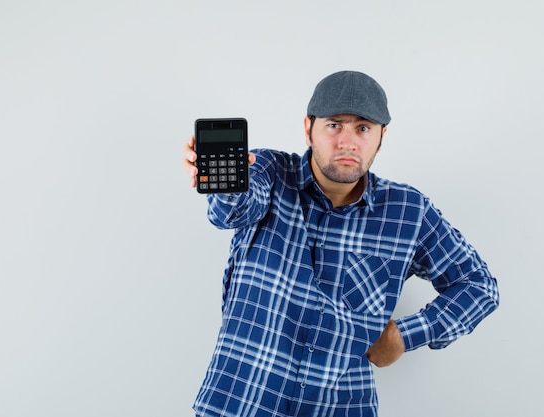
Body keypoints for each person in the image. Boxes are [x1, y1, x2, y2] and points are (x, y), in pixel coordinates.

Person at [181, 70, 499, 417]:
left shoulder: (408, 212)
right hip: (241, 403)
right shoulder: (269, 172)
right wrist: (225, 183)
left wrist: (405, 336)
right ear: (309, 128)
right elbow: (233, 211)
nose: (347, 142)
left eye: (363, 128)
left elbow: (478, 286)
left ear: (381, 137)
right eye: (334, 125)